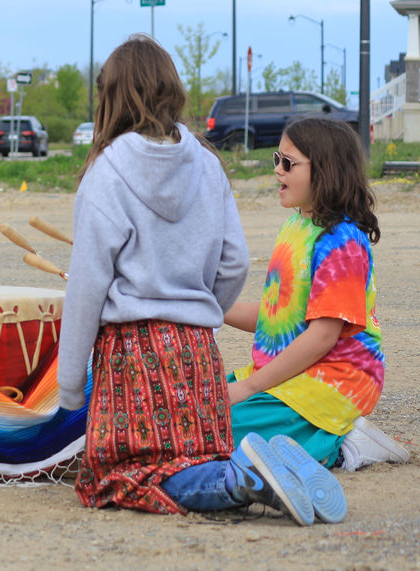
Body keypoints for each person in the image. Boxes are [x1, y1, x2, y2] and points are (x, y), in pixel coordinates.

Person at [56, 35, 345, 526]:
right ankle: (243, 471)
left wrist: (68, 387)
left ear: (111, 98)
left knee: (124, 474)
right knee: (196, 455)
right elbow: (234, 261)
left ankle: (243, 480)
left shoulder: (105, 173)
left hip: (134, 356)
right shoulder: (207, 163)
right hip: (196, 352)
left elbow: (87, 285)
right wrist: (199, 307)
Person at [225, 117, 409, 471]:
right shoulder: (297, 224)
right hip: (291, 372)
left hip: (335, 380)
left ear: (326, 170)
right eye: (276, 159)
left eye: (288, 163)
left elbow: (323, 336)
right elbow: (275, 318)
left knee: (218, 433)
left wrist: (248, 387)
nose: (277, 170)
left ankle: (346, 445)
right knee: (194, 412)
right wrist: (214, 307)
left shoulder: (342, 242)